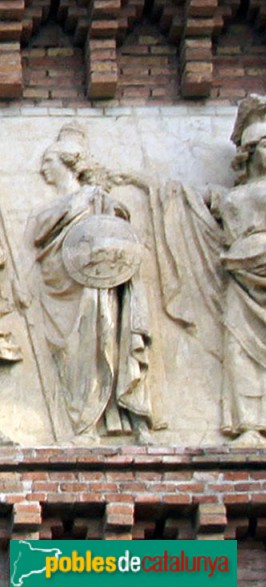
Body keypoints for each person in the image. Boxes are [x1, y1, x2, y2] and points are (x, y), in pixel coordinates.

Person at [154, 94, 266, 447]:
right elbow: (183, 199)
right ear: (249, 151)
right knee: (240, 350)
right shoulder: (228, 197)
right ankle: (251, 426)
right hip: (240, 276)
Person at [31, 123, 157, 445]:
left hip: (97, 291)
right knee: (72, 354)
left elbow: (118, 241)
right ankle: (82, 424)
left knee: (104, 347)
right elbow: (41, 238)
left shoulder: (94, 199)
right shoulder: (49, 211)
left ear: (67, 162)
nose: (43, 169)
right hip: (63, 293)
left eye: (49, 161)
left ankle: (109, 423)